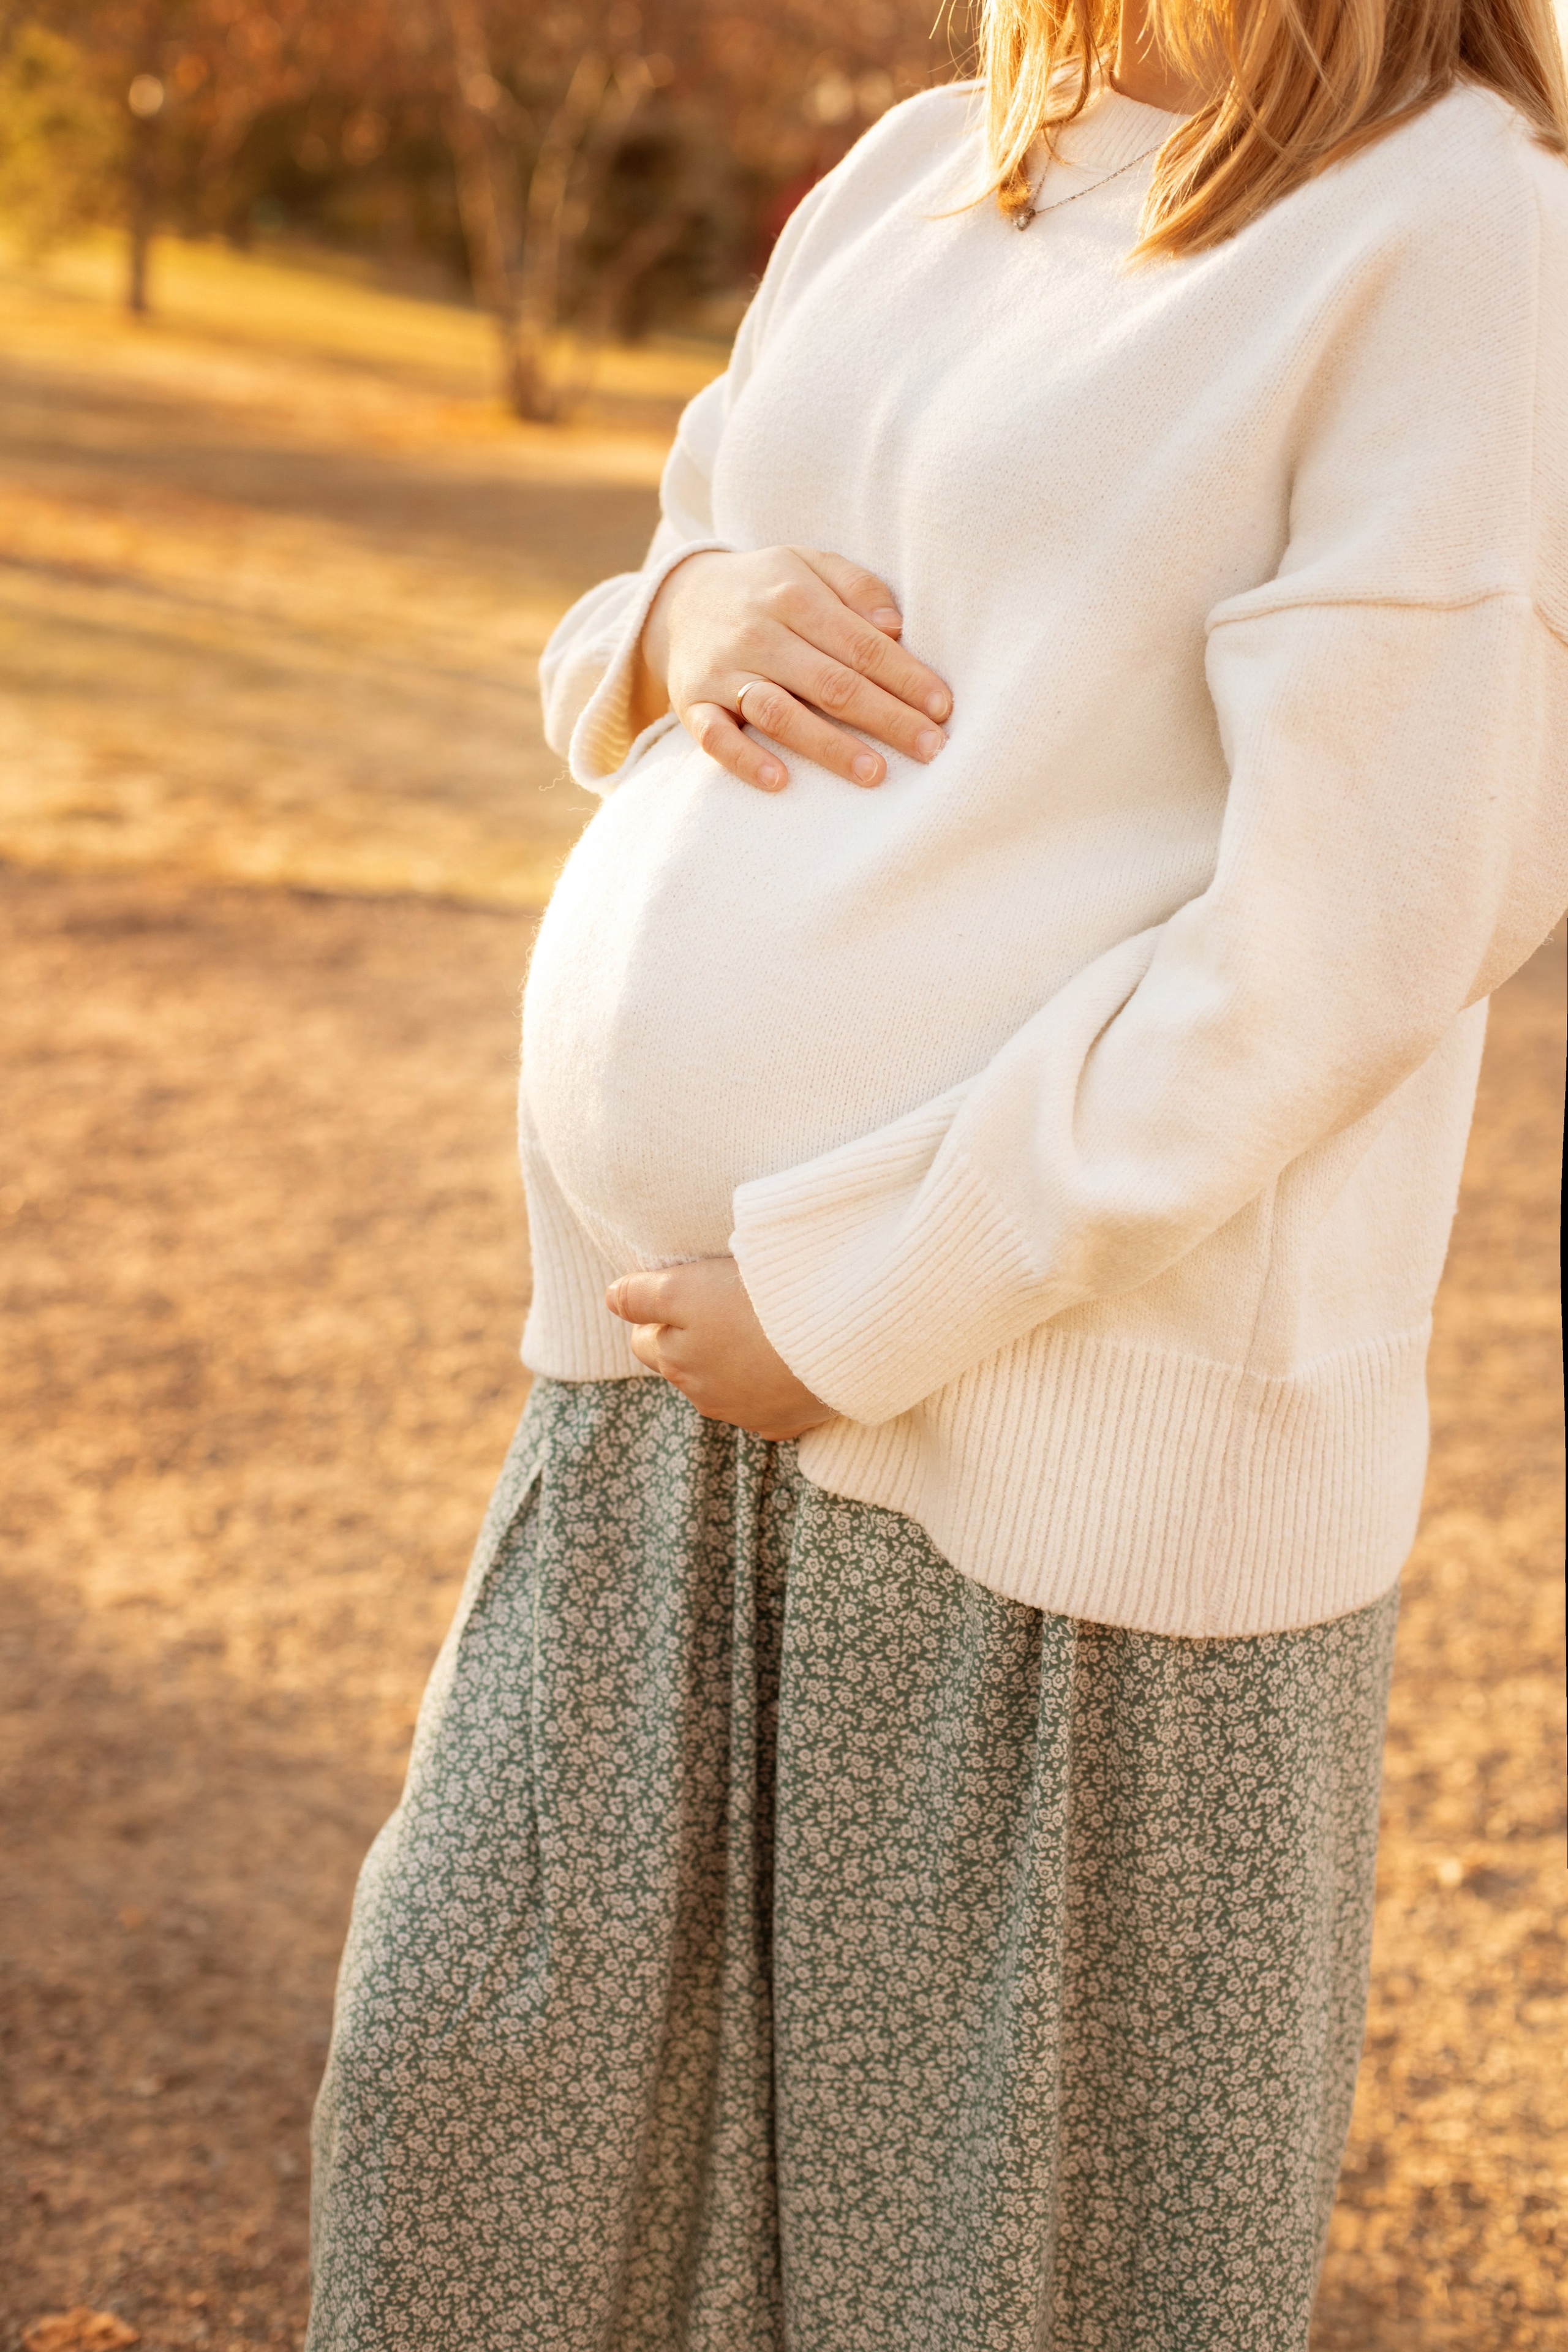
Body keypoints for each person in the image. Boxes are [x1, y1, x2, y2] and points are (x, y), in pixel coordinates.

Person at [305, 0, 1568, 2339]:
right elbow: (683, 571)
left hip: (1043, 1483)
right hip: (654, 1416)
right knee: (478, 2136)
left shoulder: (1460, 232)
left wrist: (867, 1295)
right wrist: (673, 623)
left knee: (956, 2279)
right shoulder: (918, 170)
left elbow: (1361, 928)